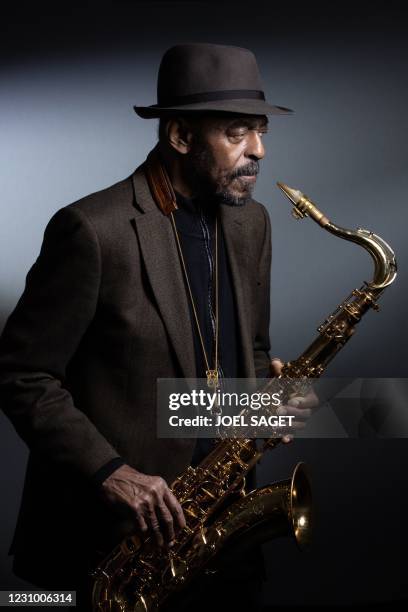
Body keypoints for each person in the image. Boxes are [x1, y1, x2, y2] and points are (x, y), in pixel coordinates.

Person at [0, 43, 318, 610]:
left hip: (216, 528)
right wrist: (110, 472)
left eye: (261, 131)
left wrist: (268, 398)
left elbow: (249, 349)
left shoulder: (253, 224)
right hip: (110, 548)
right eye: (238, 133)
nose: (260, 151)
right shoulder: (91, 230)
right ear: (180, 136)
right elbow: (21, 373)